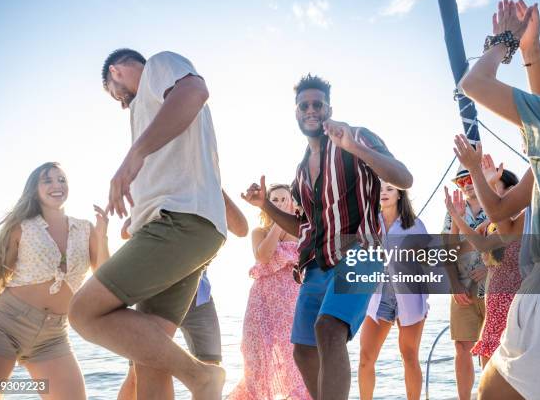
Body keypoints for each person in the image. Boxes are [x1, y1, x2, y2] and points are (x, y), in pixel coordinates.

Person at [68, 49, 227, 400]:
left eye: (115, 93)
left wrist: (133, 156)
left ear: (116, 72)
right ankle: (201, 380)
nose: (121, 103)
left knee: (82, 312)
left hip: (179, 223)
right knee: (150, 359)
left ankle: (201, 377)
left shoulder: (159, 64)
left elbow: (195, 92)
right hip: (182, 226)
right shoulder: (150, 109)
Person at [242, 74, 412, 399]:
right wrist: (265, 204)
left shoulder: (357, 136)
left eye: (317, 104)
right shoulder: (301, 171)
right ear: (296, 112)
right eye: (304, 105)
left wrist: (355, 148)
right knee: (303, 351)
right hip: (317, 264)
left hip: (360, 251)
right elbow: (302, 227)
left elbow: (403, 177)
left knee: (329, 328)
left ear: (328, 108)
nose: (310, 110)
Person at [460, 0, 540, 400]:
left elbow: (474, 84)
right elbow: (498, 210)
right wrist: (533, 50)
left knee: (490, 394)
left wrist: (504, 43)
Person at [0, 162, 108, 400]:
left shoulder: (85, 229)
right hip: (4, 326)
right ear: (35, 190)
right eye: (47, 180)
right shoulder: (21, 228)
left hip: (53, 336)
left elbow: (105, 276)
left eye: (62, 180)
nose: (57, 185)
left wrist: (102, 234)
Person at [117, 190, 248, 400]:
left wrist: (214, 182)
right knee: (138, 372)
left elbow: (241, 229)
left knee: (211, 368)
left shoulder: (206, 190)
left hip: (198, 297)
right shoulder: (161, 186)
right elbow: (126, 231)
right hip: (154, 293)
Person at [229, 184, 310, 400]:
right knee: (255, 359)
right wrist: (278, 222)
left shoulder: (303, 235)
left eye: (285, 199)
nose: (281, 203)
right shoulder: (260, 232)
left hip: (291, 307)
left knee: (292, 363)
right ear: (267, 204)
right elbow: (263, 257)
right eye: (275, 200)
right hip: (261, 305)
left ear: (294, 203)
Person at [444, 166, 522, 369]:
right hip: (495, 300)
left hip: (514, 299)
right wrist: (456, 216)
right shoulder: (490, 223)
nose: (488, 196)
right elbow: (472, 244)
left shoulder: (521, 219)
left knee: (510, 361)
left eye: (494, 188)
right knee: (490, 360)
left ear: (512, 190)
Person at [358, 183, 428, 400]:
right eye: (380, 190)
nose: (384, 193)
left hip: (409, 295)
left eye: (389, 189)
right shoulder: (369, 223)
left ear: (400, 194)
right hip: (379, 297)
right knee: (366, 357)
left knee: (409, 356)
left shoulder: (415, 225)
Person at [441, 168, 487, 400]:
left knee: (492, 347)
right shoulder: (452, 212)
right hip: (462, 289)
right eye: (461, 181)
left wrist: (490, 267)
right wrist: (454, 285)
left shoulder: (495, 202)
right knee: (462, 347)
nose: (466, 184)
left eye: (470, 178)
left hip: (494, 289)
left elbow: (513, 242)